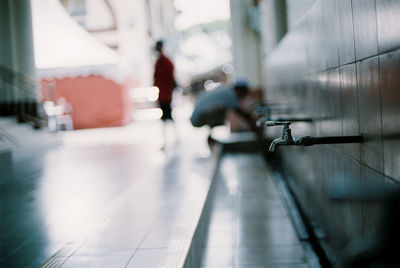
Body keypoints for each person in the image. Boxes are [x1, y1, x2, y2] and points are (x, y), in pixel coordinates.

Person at [190, 80, 255, 132]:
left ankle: (214, 134)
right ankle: (216, 134)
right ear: (241, 90)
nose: (244, 96)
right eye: (245, 93)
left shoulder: (226, 89)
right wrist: (252, 126)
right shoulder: (232, 94)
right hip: (197, 119)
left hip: (196, 115)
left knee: (226, 111)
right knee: (224, 111)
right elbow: (240, 113)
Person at [153, 40, 176, 148]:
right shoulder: (160, 62)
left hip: (166, 95)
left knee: (168, 117)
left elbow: (168, 78)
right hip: (163, 94)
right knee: (166, 118)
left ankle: (174, 138)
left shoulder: (164, 62)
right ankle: (169, 139)